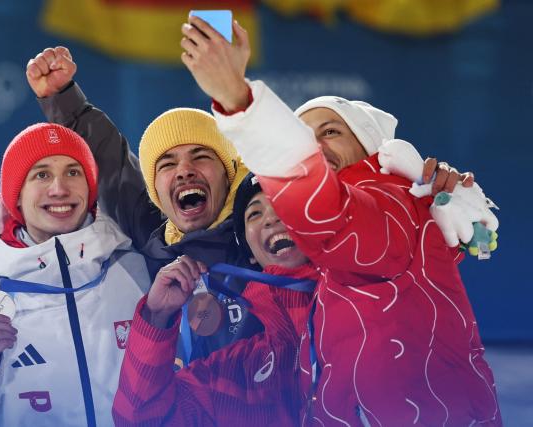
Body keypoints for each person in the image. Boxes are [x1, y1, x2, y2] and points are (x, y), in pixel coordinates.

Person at [26, 47, 473, 365]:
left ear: (231, 173)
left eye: (202, 156)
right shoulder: (153, 233)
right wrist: (64, 98)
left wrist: (435, 198)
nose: (183, 171)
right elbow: (112, 165)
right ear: (156, 191)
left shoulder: (271, 230)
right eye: (166, 163)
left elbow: (354, 216)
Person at [182, 16, 502, 426]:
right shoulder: (312, 273)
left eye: (330, 131)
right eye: (305, 135)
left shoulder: (389, 202)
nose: (314, 146)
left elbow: (335, 220)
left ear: (368, 148)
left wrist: (239, 101)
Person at [0, 123, 149, 427]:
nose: (59, 189)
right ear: (16, 196)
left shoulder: (138, 273)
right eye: (42, 174)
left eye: (73, 172)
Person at [112, 174, 318, 426]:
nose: (271, 218)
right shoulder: (239, 369)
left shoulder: (368, 307)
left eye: (284, 204)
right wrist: (156, 317)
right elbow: (145, 420)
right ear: (250, 253)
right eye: (254, 213)